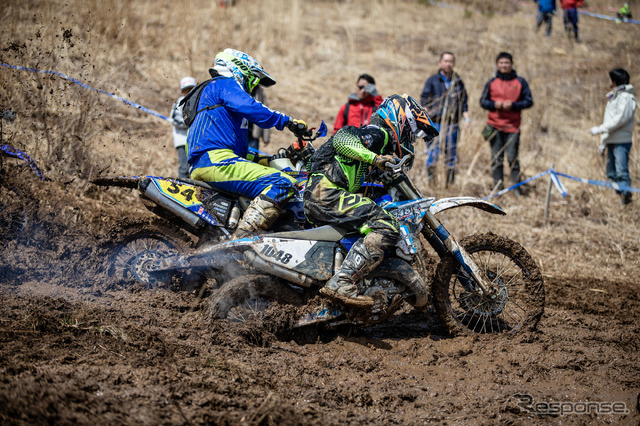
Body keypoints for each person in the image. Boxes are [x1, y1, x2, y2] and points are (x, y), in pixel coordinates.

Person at [304, 94, 438, 307]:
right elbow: (341, 139)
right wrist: (375, 159)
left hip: (322, 193)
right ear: (401, 121)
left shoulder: (377, 144)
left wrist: (378, 170)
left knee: (373, 217)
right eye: (410, 135)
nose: (410, 141)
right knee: (386, 225)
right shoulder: (378, 134)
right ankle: (343, 281)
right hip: (326, 193)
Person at [186, 48, 308, 238]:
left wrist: (270, 159)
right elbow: (249, 107)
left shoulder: (215, 100)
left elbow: (237, 149)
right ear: (239, 69)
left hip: (210, 161)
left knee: (274, 175)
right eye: (254, 79)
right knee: (282, 183)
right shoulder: (223, 84)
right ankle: (242, 240)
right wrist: (287, 121)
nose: (254, 85)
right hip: (216, 161)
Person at [479, 52, 534, 195]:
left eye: (507, 63)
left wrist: (514, 105)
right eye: (501, 63)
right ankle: (498, 188)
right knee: (496, 158)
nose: (504, 65)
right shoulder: (492, 82)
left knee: (512, 157)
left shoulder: (520, 82)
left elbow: (529, 101)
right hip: (494, 126)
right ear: (497, 64)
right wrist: (494, 104)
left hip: (512, 127)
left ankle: (515, 188)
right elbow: (483, 102)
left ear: (511, 64)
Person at [420, 52, 470, 186]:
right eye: (446, 61)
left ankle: (449, 185)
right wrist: (426, 109)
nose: (448, 64)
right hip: (435, 122)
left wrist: (466, 117)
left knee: (451, 153)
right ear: (440, 63)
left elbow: (463, 100)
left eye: (451, 61)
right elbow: (425, 98)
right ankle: (432, 183)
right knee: (433, 152)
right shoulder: (433, 80)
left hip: (452, 123)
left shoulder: (458, 81)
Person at [589, 68, 636, 205]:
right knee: (611, 174)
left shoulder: (626, 98)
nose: (608, 82)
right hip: (611, 140)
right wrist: (603, 141)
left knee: (622, 172)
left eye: (610, 79)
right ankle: (623, 196)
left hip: (622, 141)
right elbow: (609, 120)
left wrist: (600, 129)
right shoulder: (614, 97)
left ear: (615, 81)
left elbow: (619, 119)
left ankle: (626, 201)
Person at [170, 76, 197, 179]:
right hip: (182, 141)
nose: (189, 92)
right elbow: (175, 120)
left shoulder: (198, 101)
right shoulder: (179, 102)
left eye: (191, 89)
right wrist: (191, 123)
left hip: (195, 141)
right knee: (184, 168)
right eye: (186, 90)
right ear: (182, 91)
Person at [247, 85, 271, 151]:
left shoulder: (259, 91)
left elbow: (265, 114)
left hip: (253, 135)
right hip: (241, 133)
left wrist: (266, 138)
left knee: (252, 158)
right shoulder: (240, 87)